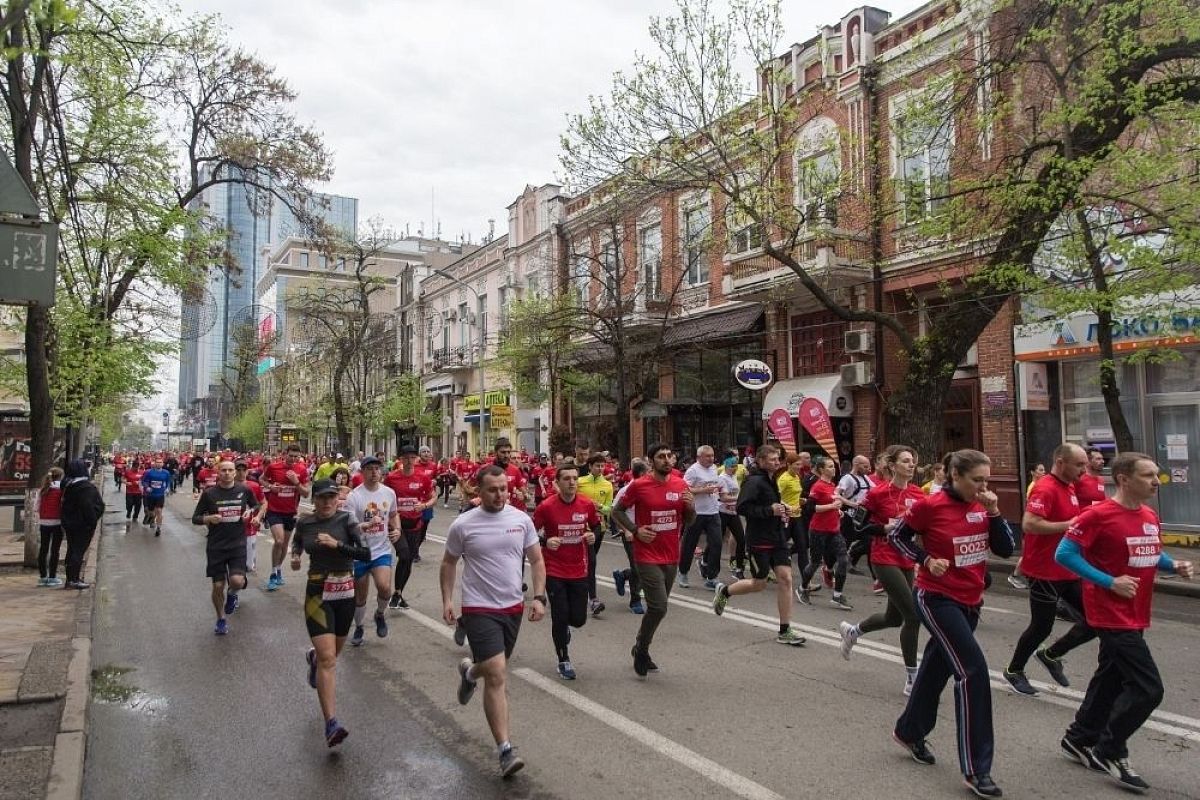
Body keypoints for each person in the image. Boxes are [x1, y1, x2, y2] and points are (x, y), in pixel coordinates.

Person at [1055, 452, 1193, 792]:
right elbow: (1065, 554)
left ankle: (1079, 737)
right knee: (1148, 689)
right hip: (1109, 613)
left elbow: (1147, 550)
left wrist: (1172, 564)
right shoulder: (1097, 515)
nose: (1155, 482)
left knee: (1111, 676)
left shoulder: (1147, 515)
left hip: (1136, 611)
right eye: (1148, 476)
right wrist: (1109, 582)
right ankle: (1111, 748)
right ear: (1123, 479)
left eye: (1156, 475)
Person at [889, 449, 1015, 799]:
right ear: (954, 476)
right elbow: (897, 536)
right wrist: (926, 559)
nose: (984, 487)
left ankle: (910, 730)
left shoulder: (982, 506)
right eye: (977, 480)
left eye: (987, 480)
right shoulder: (930, 505)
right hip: (936, 598)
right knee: (972, 672)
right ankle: (978, 769)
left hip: (970, 601)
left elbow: (1005, 550)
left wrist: (994, 512)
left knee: (937, 667)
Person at [441, 465, 546, 778]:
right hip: (478, 607)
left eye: (503, 488)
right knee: (498, 674)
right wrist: (447, 599)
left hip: (512, 607)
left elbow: (537, 560)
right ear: (478, 490)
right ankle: (505, 750)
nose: (500, 494)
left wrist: (539, 597)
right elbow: (448, 562)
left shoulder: (520, 519)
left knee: (490, 670)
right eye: (492, 489)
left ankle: (470, 672)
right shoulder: (464, 524)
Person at [1003, 444, 1096, 696]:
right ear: (1060, 461)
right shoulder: (1045, 488)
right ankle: (1014, 670)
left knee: (1095, 619)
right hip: (1044, 570)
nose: (1084, 469)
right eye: (1079, 464)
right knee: (1041, 627)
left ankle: (1051, 654)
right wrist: (1070, 524)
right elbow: (1030, 524)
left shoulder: (1069, 486)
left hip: (1068, 568)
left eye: (1085, 464)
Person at [838, 445, 925, 694]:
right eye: (906, 461)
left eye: (913, 461)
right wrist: (883, 529)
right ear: (893, 465)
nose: (911, 465)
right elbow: (857, 526)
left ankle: (854, 632)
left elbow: (927, 527)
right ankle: (912, 677)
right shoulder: (878, 494)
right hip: (883, 556)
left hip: (906, 558)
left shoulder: (919, 494)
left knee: (893, 618)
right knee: (913, 615)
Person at [291, 479, 371, 747]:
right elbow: (298, 542)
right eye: (322, 498)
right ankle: (331, 723)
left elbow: (365, 554)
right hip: (317, 591)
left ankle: (314, 658)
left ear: (338, 499)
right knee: (329, 660)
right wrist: (295, 555)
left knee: (332, 654)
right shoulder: (305, 522)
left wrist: (337, 545)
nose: (327, 502)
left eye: (332, 497)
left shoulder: (347, 521)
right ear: (314, 500)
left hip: (345, 592)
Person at [611, 443, 695, 677]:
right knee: (659, 606)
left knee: (658, 609)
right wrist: (636, 530)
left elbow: (689, 520)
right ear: (651, 461)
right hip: (646, 554)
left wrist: (690, 505)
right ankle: (642, 649)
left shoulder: (680, 484)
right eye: (661, 457)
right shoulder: (639, 486)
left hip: (671, 555)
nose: (667, 460)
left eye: (670, 456)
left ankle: (640, 648)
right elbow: (616, 511)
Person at [711, 444, 806, 645]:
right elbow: (742, 507)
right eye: (772, 459)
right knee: (759, 583)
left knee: (786, 579)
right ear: (761, 461)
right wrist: (769, 511)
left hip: (777, 537)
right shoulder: (754, 481)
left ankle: (785, 629)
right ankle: (725, 592)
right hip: (759, 540)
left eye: (777, 458)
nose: (776, 462)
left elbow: (771, 504)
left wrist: (782, 508)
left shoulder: (772, 479)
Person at [533, 462, 601, 679]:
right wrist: (545, 540)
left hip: (579, 569)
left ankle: (565, 631)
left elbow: (596, 526)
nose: (572, 482)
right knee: (560, 617)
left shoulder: (586, 504)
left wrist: (593, 535)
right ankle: (563, 659)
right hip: (554, 569)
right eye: (567, 479)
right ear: (557, 483)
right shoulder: (546, 506)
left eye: (575, 478)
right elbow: (530, 532)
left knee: (578, 619)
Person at [192, 461, 258, 634]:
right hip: (216, 545)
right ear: (218, 472)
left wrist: (249, 512)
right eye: (224, 470)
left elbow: (256, 505)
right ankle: (221, 619)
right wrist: (208, 519)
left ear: (235, 473)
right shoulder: (209, 494)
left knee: (237, 581)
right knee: (217, 586)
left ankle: (233, 594)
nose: (227, 473)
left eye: (230, 470)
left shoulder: (244, 490)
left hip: (237, 543)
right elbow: (195, 518)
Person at [344, 455, 400, 645]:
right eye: (370, 469)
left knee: (385, 588)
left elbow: (393, 514)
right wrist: (366, 525)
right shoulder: (354, 496)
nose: (375, 472)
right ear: (362, 472)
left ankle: (379, 614)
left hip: (381, 550)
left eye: (377, 469)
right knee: (360, 597)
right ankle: (359, 627)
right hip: (360, 551)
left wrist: (397, 529)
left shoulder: (389, 493)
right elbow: (349, 527)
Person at [798, 456, 852, 610]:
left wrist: (838, 510)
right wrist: (831, 506)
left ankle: (837, 595)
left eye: (833, 466)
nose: (833, 469)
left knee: (843, 560)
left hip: (834, 530)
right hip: (818, 530)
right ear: (821, 469)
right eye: (829, 467)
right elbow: (810, 508)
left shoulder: (832, 485)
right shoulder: (818, 486)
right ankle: (802, 588)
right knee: (815, 562)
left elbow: (832, 504)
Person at [385, 445, 435, 610]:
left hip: (415, 524)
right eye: (405, 457)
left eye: (411, 457)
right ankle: (397, 594)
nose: (408, 461)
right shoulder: (392, 478)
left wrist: (424, 505)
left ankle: (398, 593)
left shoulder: (422, 478)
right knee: (405, 556)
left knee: (408, 561)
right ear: (400, 459)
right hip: (396, 525)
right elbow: (384, 497)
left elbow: (432, 496)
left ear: (415, 459)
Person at [262, 444, 311, 590]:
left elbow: (306, 493)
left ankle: (278, 569)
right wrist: (271, 487)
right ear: (285, 454)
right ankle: (272, 574)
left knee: (284, 545)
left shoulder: (301, 470)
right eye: (291, 456)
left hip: (290, 512)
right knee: (279, 540)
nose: (293, 459)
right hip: (274, 510)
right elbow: (262, 479)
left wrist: (296, 482)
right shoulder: (274, 467)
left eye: (296, 456)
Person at [678, 445, 723, 591]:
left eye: (712, 455)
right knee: (689, 544)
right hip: (696, 512)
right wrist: (703, 490)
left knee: (716, 543)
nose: (711, 458)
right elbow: (684, 489)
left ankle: (712, 577)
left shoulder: (714, 468)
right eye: (708, 456)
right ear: (699, 457)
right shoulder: (693, 470)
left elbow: (714, 485)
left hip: (713, 511)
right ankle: (683, 572)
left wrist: (717, 491)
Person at [577, 454, 613, 615]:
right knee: (591, 561)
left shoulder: (607, 485)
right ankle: (593, 599)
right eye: (597, 466)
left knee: (590, 560)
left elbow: (609, 508)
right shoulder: (580, 482)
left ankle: (581, 584)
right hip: (581, 527)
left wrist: (599, 506)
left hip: (599, 527)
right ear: (590, 467)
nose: (600, 469)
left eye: (602, 466)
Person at [60, 460, 104, 590]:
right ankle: (73, 579)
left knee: (72, 549)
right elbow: (87, 507)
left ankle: (71, 578)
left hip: (70, 523)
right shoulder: (85, 487)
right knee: (78, 551)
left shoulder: (68, 485)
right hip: (82, 525)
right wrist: (92, 521)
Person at [611, 459, 647, 615]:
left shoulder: (648, 490)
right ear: (642, 474)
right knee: (638, 566)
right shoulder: (625, 490)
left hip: (647, 533)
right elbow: (615, 512)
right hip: (631, 533)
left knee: (645, 566)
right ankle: (635, 600)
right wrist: (626, 530)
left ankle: (623, 575)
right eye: (649, 473)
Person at [234, 460, 267, 575]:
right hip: (231, 527)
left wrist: (258, 517)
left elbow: (264, 503)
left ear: (247, 471)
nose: (241, 473)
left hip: (249, 526)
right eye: (238, 470)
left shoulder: (254, 486)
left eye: (244, 470)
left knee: (248, 566)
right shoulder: (227, 486)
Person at [716, 456, 746, 578]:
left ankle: (739, 569)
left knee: (741, 540)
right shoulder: (721, 478)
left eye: (735, 466)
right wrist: (739, 498)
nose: (734, 469)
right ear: (726, 467)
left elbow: (735, 493)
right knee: (717, 541)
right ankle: (705, 561)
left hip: (733, 513)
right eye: (731, 467)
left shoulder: (733, 477)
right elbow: (724, 498)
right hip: (722, 512)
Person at [37, 467, 65, 587]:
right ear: (60, 476)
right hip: (57, 522)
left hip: (44, 522)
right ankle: (52, 577)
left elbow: (36, 506)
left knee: (43, 549)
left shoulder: (42, 489)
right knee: (55, 550)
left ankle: (43, 577)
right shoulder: (62, 489)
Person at [140, 458, 172, 537]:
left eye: (160, 462)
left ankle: (158, 528)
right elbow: (143, 481)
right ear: (154, 463)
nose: (159, 464)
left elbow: (168, 482)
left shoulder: (166, 473)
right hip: (150, 495)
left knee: (159, 511)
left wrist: (167, 488)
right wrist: (147, 487)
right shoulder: (149, 472)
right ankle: (151, 517)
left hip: (160, 495)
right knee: (151, 512)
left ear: (162, 463)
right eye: (157, 462)